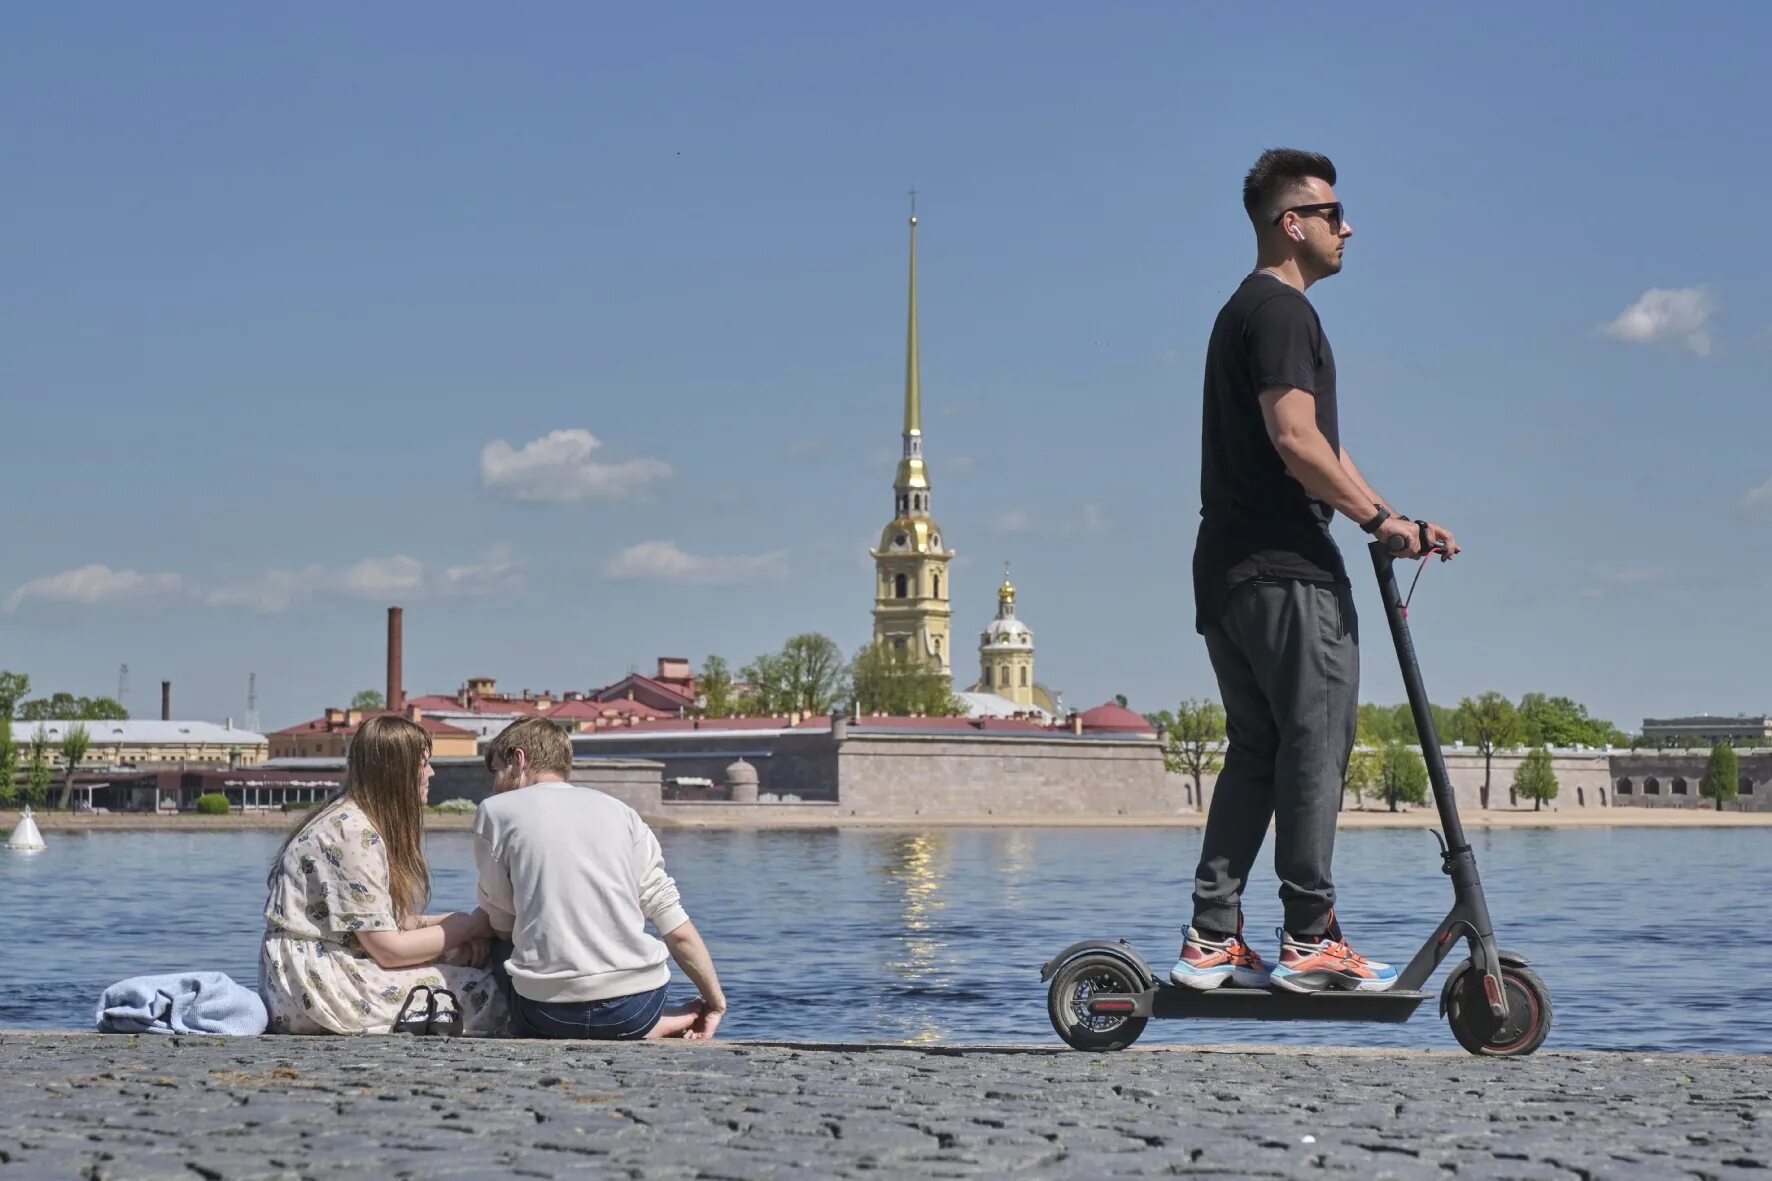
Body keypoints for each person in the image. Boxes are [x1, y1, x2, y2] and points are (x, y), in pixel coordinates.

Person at [1174, 148, 1460, 994]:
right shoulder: (1283, 311)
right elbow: (1295, 441)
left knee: (1258, 748)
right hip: (1286, 569)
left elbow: (1323, 448)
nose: (1348, 226)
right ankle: (1309, 936)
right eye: (1334, 213)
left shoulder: (1244, 311)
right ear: (1291, 224)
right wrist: (1377, 519)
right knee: (1313, 741)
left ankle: (1212, 937)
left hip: (1228, 569)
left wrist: (1390, 515)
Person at [474, 717, 726, 1040]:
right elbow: (676, 929)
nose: (495, 785)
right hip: (637, 1007)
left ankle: (647, 1025)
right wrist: (715, 1002)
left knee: (498, 945)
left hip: (545, 1014)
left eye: (496, 771)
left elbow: (502, 925)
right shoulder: (623, 813)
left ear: (519, 760)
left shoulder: (495, 811)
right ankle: (655, 1023)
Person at [260, 714, 509, 1033]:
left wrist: (459, 927)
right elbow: (389, 951)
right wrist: (472, 925)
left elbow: (391, 922)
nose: (431, 773)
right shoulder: (353, 834)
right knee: (486, 987)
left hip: (307, 976)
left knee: (464, 960)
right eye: (424, 764)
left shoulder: (351, 821)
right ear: (396, 772)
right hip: (320, 987)